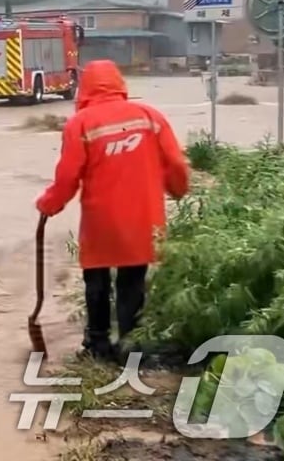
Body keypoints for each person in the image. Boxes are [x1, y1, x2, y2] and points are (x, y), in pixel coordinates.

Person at [36, 59, 190, 362]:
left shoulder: (80, 124)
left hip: (101, 219)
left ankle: (98, 345)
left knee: (96, 281)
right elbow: (175, 164)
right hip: (144, 217)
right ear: (120, 84)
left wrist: (49, 204)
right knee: (133, 280)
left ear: (86, 88)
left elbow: (68, 177)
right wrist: (179, 190)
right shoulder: (150, 117)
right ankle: (131, 346)